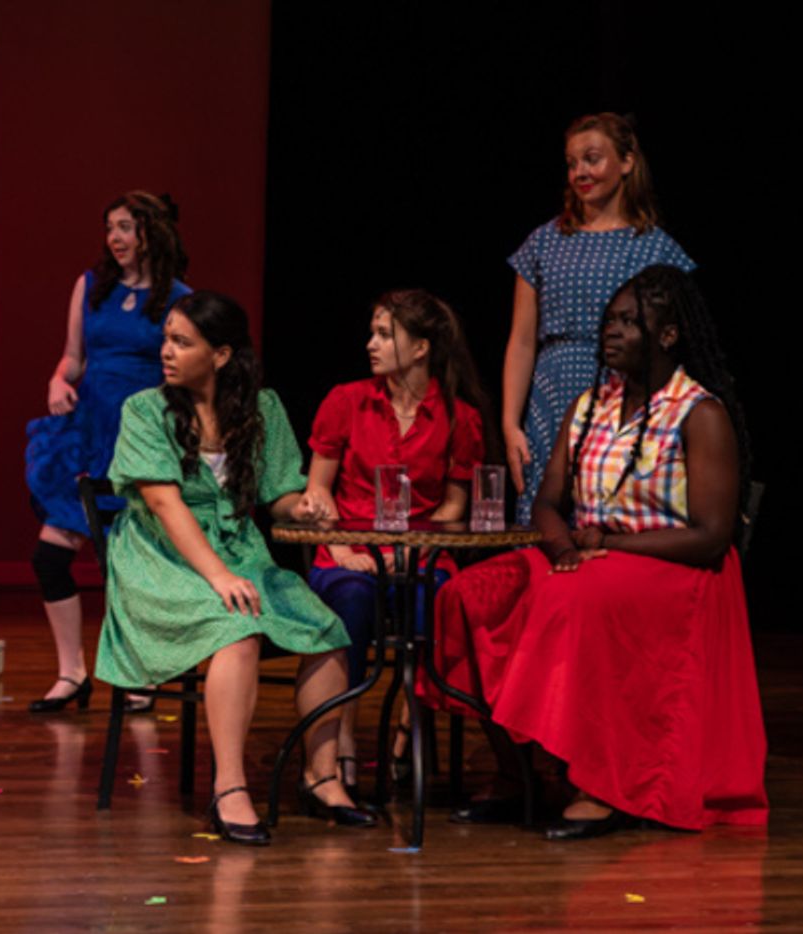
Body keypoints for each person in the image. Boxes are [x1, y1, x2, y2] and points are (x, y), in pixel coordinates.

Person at [424, 265, 768, 838]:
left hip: (675, 565)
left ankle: (598, 786)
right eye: (610, 319)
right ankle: (519, 773)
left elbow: (711, 534)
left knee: (573, 598)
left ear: (667, 336)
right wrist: (560, 547)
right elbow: (548, 501)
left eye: (630, 322)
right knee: (468, 594)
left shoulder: (699, 413)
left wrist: (602, 545)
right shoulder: (590, 406)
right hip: (586, 556)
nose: (611, 331)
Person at [95, 290, 376, 844]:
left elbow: (279, 496)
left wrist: (307, 507)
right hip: (161, 558)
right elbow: (163, 504)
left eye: (182, 341)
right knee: (238, 629)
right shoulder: (145, 410)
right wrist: (217, 577)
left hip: (240, 551)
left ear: (221, 355)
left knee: (326, 629)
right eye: (167, 340)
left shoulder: (262, 408)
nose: (167, 353)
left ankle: (321, 775)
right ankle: (230, 788)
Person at [303, 289, 487, 796]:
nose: (371, 344)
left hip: (419, 553)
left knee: (437, 601)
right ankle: (342, 738)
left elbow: (453, 508)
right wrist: (340, 546)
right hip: (349, 550)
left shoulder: (460, 417)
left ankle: (411, 728)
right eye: (373, 332)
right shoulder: (347, 401)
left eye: (385, 334)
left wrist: (416, 550)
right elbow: (318, 487)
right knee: (353, 600)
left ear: (422, 347)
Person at [25, 192, 190, 713]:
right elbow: (74, 358)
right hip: (88, 435)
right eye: (110, 228)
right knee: (50, 555)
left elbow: (182, 372)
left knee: (130, 566)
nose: (115, 238)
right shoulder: (91, 287)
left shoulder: (178, 299)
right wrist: (57, 379)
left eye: (126, 227)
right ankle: (72, 673)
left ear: (151, 233)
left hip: (139, 440)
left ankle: (141, 672)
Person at [502, 113, 695, 525]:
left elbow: (677, 344)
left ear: (627, 162)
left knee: (605, 511)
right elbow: (521, 341)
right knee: (544, 519)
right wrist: (509, 423)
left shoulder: (655, 249)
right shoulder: (544, 241)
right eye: (572, 163)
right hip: (551, 396)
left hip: (622, 394)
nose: (580, 173)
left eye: (592, 159)